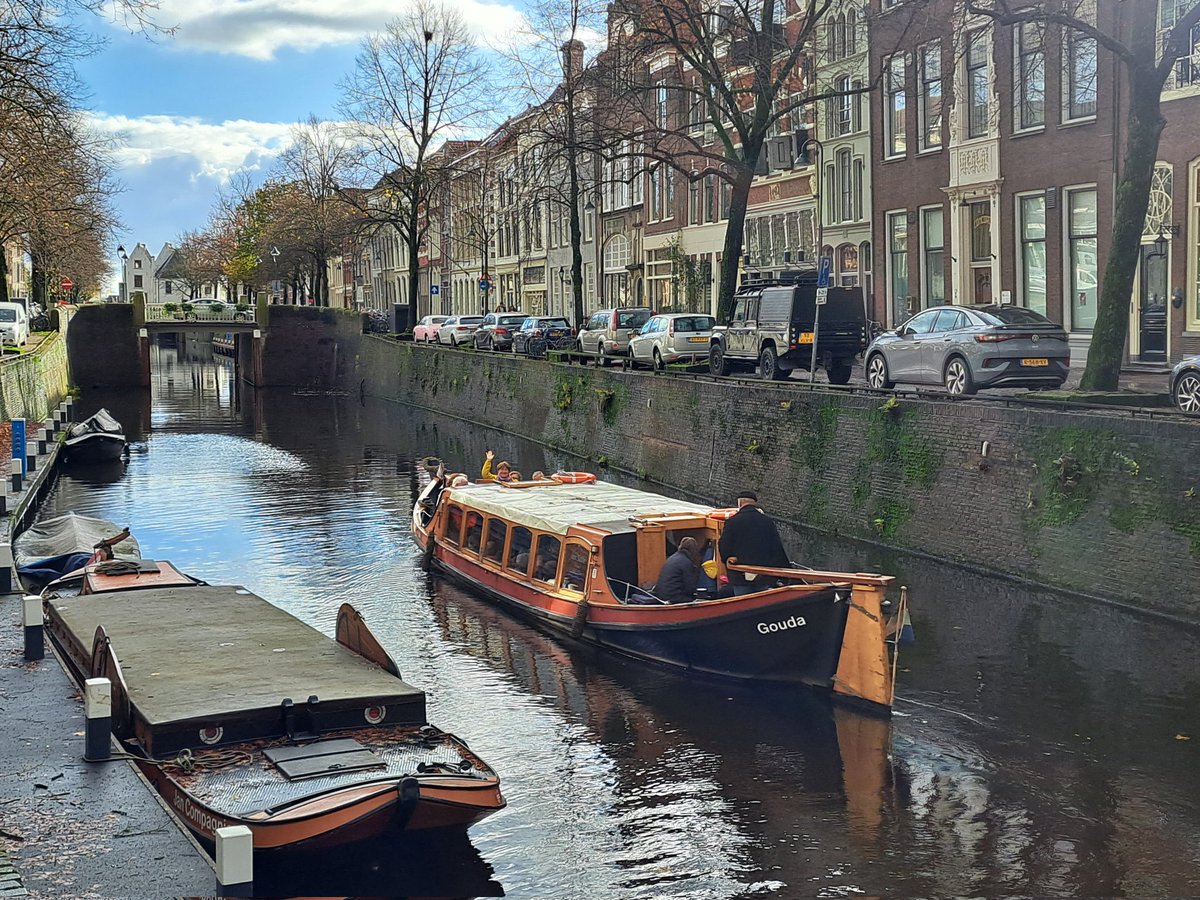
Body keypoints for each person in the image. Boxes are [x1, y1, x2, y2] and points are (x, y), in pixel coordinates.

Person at [717, 490, 790, 594]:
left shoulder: (732, 522)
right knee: (761, 600)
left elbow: (724, 546)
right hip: (763, 575)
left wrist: (728, 559)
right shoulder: (767, 522)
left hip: (740, 575)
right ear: (754, 504)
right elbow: (776, 547)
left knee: (742, 602)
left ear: (740, 503)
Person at [654, 536, 702, 604]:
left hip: (661, 595)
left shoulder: (673, 557)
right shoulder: (686, 562)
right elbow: (689, 586)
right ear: (693, 550)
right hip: (673, 597)